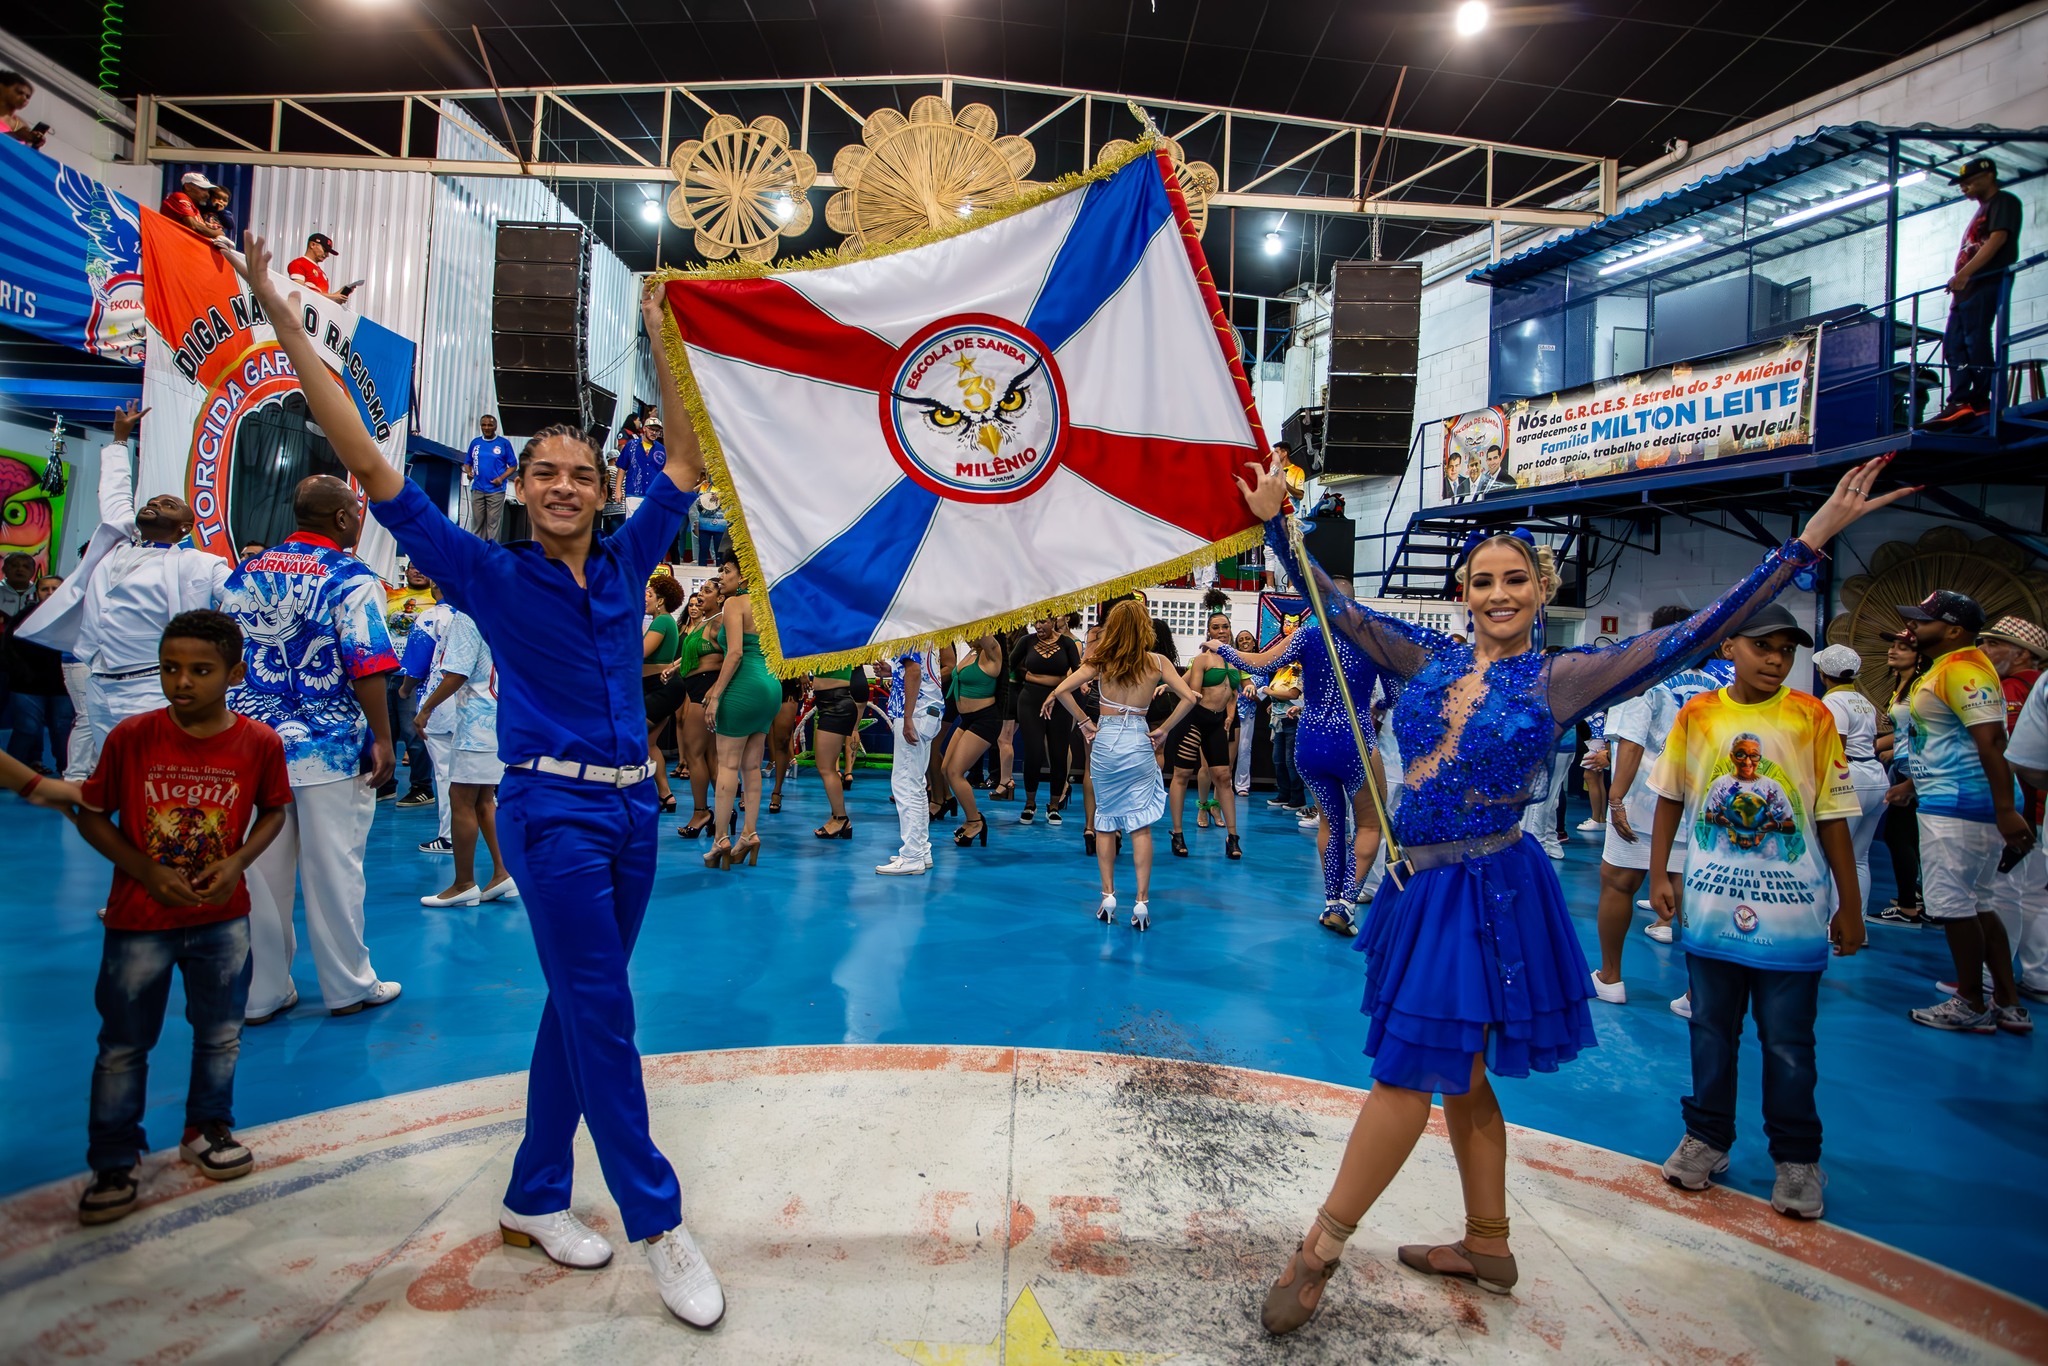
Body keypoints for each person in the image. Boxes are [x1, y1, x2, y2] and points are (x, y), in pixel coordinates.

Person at [1234, 448, 1909, 1335]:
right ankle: (1489, 1243)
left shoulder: (1562, 677)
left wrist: (1809, 542)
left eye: (1516, 579)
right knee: (1463, 1077)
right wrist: (1281, 526)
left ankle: (1316, 1252)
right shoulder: (1426, 655)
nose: (1499, 593)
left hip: (1485, 892)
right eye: (1483, 581)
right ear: (1464, 592)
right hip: (1419, 891)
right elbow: (1334, 604)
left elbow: (1699, 631)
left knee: (1409, 1071)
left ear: (1541, 587)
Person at [230, 236, 722, 1326]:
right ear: (519, 484)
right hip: (549, 813)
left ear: (601, 490)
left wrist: (663, 335)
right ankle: (659, 1223)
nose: (560, 484)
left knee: (575, 1008)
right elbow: (360, 449)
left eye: (578, 473)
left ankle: (535, 1194)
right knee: (604, 1008)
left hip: (638, 806)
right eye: (543, 471)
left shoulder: (634, 557)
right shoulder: (482, 571)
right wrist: (279, 308)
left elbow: (683, 460)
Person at [67, 610, 293, 1224]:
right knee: (122, 1044)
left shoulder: (259, 743)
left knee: (220, 1034)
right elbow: (89, 812)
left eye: (200, 670)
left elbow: (274, 808)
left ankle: (207, 1128)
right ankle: (114, 1157)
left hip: (223, 919)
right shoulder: (132, 737)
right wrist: (144, 871)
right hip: (139, 918)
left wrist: (240, 858)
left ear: (235, 673)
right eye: (171, 668)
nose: (182, 682)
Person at [1647, 602, 1864, 1220]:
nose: (1775, 660)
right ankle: (1708, 1137)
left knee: (1789, 1040)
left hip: (1792, 913)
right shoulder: (1699, 715)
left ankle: (1797, 1157)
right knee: (1711, 1029)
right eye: (1763, 647)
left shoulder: (1811, 717)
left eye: (1786, 650)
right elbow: (1670, 797)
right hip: (1712, 906)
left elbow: (1830, 815)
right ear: (1729, 649)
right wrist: (1663, 871)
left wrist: (1850, 903)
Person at [221, 475, 401, 1024]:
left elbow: (225, 655)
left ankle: (261, 993)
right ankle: (348, 986)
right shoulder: (352, 577)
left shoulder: (244, 573)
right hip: (328, 747)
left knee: (258, 873)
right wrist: (385, 738)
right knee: (334, 868)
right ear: (344, 520)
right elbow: (366, 664)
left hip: (252, 744)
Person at [19, 402, 231, 784]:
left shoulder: (199, 564)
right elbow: (115, 495)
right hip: (99, 683)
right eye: (151, 502)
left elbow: (241, 599)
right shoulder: (113, 546)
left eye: (166, 504)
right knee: (118, 775)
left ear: (185, 527)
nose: (153, 505)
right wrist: (119, 441)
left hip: (154, 686)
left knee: (159, 775)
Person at [1893, 590, 2033, 1035]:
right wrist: (1913, 783)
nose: (1913, 627)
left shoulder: (1964, 670)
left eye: (1924, 621)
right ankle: (2006, 1000)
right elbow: (1947, 739)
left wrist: (2007, 809)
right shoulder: (1950, 668)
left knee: (1954, 907)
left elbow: (1991, 740)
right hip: (1953, 799)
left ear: (1953, 630)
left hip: (1958, 808)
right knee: (1980, 904)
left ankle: (1971, 1000)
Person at [1213, 605, 1385, 932]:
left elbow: (1259, 663)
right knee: (1368, 824)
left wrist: (1220, 646)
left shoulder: (1307, 634)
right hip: (1354, 738)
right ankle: (1347, 901)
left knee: (1330, 824)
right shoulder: (1372, 639)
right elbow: (1392, 694)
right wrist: (1378, 706)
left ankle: (1331, 900)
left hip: (1312, 739)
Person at [1590, 607, 1724, 1004]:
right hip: (1697, 802)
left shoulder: (1645, 679)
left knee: (1619, 883)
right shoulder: (1716, 682)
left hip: (1644, 800)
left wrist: (1615, 799)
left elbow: (1631, 744)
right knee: (1691, 894)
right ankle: (1696, 992)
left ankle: (1610, 977)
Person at [1043, 599, 1200, 930]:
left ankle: (1108, 897)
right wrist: (1164, 730)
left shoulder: (1101, 661)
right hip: (1140, 740)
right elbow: (1189, 698)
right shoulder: (1157, 662)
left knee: (1105, 820)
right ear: (1144, 627)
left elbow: (1061, 691)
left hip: (1107, 742)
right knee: (1140, 826)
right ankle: (1141, 903)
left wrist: (1085, 722)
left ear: (1112, 627)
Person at [413, 609, 516, 908]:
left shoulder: (469, 616)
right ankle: (501, 873)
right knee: (484, 800)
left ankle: (463, 884)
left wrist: (426, 709)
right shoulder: (502, 611)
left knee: (460, 798)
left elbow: (458, 672)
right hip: (500, 716)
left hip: (476, 721)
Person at [1975, 615, 2048, 1003]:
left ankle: (1989, 981)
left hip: (2021, 813)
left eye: (1994, 644)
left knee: (2000, 896)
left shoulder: (2011, 692)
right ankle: (2039, 977)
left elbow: (2010, 757)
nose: (1984, 651)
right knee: (2035, 895)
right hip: (2037, 814)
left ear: (2021, 653)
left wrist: (2007, 810)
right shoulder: (2039, 685)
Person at [1929, 158, 2023, 426]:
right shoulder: (1981, 210)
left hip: (1984, 282)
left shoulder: (2004, 202)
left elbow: (1998, 239)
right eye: (1961, 183)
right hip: (1966, 289)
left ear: (1989, 175)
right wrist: (1961, 279)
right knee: (1953, 345)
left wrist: (1965, 273)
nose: (1964, 187)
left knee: (1975, 340)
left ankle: (1980, 400)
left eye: (1969, 181)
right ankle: (1960, 401)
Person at [702, 550, 779, 870]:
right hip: (770, 686)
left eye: (727, 570)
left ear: (744, 576)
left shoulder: (734, 604)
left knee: (728, 766)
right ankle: (749, 833)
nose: (721, 575)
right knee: (751, 767)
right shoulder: (770, 606)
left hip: (744, 685)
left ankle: (721, 838)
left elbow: (733, 654)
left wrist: (716, 694)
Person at [1812, 644, 1888, 924]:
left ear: (1823, 674)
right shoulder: (1862, 700)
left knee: (1835, 856)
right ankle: (1858, 923)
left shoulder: (1833, 702)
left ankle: (1835, 924)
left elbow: (1836, 746)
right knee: (1858, 858)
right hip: (1876, 777)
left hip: (1851, 779)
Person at [1167, 610, 1244, 860]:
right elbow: (1193, 691)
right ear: (1208, 632)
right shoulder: (1202, 660)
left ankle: (1232, 837)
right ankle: (1177, 833)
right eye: (1215, 627)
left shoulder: (1236, 660)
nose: (1221, 631)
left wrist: (1244, 695)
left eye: (1225, 626)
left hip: (1217, 722)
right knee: (1182, 774)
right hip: (1194, 720)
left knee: (1223, 776)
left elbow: (1234, 690)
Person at [1872, 627, 1929, 925]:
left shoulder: (1921, 688)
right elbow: (1903, 731)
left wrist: (1910, 780)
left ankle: (1909, 906)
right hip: (1906, 767)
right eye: (1892, 645)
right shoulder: (1904, 686)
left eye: (1902, 647)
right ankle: (1923, 898)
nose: (1893, 651)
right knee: (1910, 836)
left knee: (1898, 835)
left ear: (1920, 657)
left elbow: (1925, 733)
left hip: (1916, 772)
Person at [877, 644, 944, 877]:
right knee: (915, 785)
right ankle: (921, 850)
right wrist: (892, 670)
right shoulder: (921, 632)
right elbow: (915, 669)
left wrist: (906, 717)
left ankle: (912, 855)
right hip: (928, 711)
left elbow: (914, 671)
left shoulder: (907, 632)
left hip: (915, 713)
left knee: (905, 784)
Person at [399, 586, 457, 854]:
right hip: (488, 707)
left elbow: (417, 665)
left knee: (446, 775)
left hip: (442, 706)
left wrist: (405, 689)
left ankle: (449, 836)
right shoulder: (490, 611)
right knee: (485, 782)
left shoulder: (433, 616)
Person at [668, 581, 725, 839]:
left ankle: (702, 811)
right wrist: (674, 667)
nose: (700, 596)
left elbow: (734, 657)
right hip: (695, 689)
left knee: (694, 755)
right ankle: (725, 812)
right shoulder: (703, 622)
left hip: (704, 691)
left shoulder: (719, 622)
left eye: (707, 592)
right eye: (699, 591)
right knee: (709, 757)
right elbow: (694, 653)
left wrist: (714, 689)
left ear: (721, 598)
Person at [938, 633, 1005, 849]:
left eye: (971, 631)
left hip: (985, 720)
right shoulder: (972, 653)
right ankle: (971, 818)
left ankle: (975, 821)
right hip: (967, 719)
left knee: (956, 773)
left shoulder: (993, 653)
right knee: (945, 769)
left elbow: (985, 632)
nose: (967, 636)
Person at [1011, 617, 1081, 823]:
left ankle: (1053, 805)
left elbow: (1078, 673)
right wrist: (1032, 679)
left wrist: (1063, 685)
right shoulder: (1026, 641)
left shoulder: (1067, 644)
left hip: (1060, 701)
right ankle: (1030, 803)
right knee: (1034, 751)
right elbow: (1011, 665)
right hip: (1030, 700)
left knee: (1058, 753)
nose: (1038, 626)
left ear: (1053, 621)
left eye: (1043, 622)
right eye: (1035, 622)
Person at [6, 573, 74, 771]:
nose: (50, 593)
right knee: (26, 728)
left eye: (55, 588)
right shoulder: (25, 616)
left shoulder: (75, 614)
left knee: (62, 729)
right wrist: (19, 672)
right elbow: (8, 647)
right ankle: (11, 774)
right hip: (27, 685)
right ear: (37, 593)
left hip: (63, 685)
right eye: (45, 589)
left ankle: (68, 772)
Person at [383, 563, 438, 804]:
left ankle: (422, 787)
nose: (419, 571)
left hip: (417, 675)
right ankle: (385, 785)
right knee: (385, 732)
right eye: (414, 567)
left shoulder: (437, 600)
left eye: (424, 566)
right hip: (387, 672)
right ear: (405, 570)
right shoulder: (391, 596)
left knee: (413, 734)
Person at [809, 662, 861, 839]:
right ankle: (836, 817)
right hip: (830, 703)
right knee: (826, 767)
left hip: (836, 704)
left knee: (826, 768)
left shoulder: (836, 639)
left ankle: (841, 819)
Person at [465, 416, 516, 543]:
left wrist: (501, 478)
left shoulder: (504, 444)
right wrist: (469, 472)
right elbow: (468, 462)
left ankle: (492, 554)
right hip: (477, 489)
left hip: (496, 491)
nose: (486, 428)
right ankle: (477, 552)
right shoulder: (475, 443)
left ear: (495, 426)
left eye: (489, 425)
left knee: (493, 525)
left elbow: (513, 466)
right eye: (484, 425)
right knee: (477, 524)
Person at [617, 416, 668, 515]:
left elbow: (665, 472)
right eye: (652, 429)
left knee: (650, 527)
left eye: (657, 431)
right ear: (644, 428)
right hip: (634, 494)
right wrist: (618, 490)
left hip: (654, 495)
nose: (654, 433)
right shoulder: (631, 445)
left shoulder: (662, 449)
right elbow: (621, 467)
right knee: (632, 526)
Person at [286, 233, 354, 305]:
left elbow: (324, 300)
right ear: (312, 245)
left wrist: (341, 293)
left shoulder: (322, 273)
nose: (327, 255)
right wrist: (333, 296)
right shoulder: (298, 263)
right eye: (325, 250)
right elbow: (299, 290)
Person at [159, 172, 222, 241]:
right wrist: (217, 234)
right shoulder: (180, 197)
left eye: (208, 191)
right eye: (203, 189)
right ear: (187, 187)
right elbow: (193, 225)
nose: (207, 195)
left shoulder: (195, 208)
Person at [1, 70, 46, 148]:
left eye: (28, 97)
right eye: (20, 92)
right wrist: (15, 135)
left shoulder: (21, 125)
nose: (24, 98)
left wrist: (35, 142)